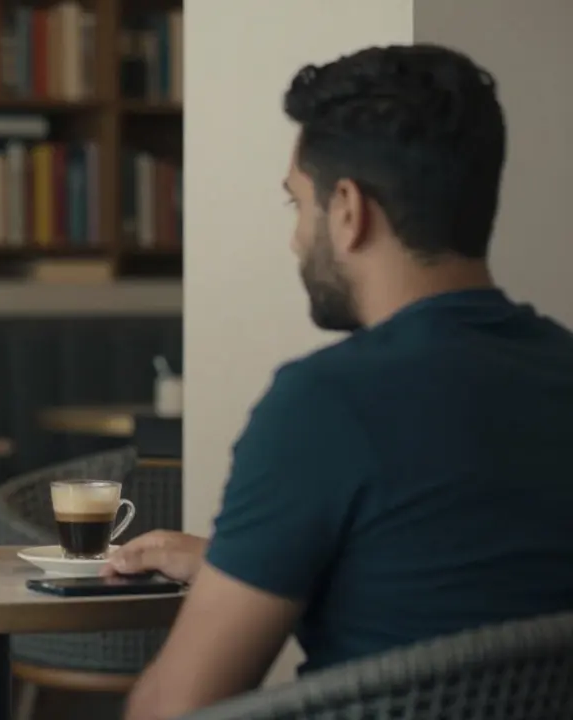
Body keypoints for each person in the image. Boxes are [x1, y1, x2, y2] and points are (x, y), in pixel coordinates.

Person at [114, 44, 573, 720]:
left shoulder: (323, 407)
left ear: (349, 211)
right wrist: (237, 565)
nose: (299, 239)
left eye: (298, 204)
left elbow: (174, 708)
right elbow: (453, 581)